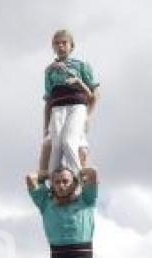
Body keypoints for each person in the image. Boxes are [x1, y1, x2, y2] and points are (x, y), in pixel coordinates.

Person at [40, 29, 99, 178]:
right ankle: (54, 184)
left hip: (77, 105)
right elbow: (48, 101)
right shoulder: (49, 71)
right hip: (57, 108)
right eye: (57, 43)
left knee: (69, 142)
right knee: (56, 146)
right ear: (53, 47)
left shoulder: (81, 65)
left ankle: (77, 180)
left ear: (71, 46)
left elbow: (95, 94)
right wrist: (46, 127)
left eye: (64, 43)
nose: (60, 46)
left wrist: (88, 116)